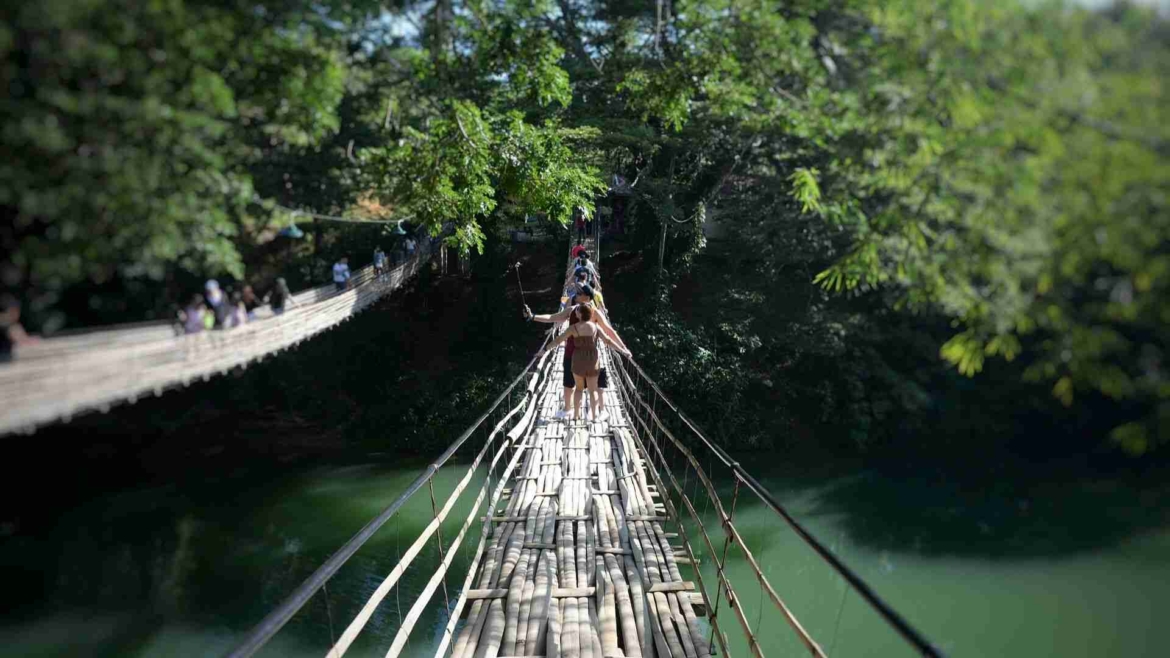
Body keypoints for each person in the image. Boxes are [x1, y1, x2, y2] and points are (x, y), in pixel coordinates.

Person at [526, 285, 629, 419]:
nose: (576, 294)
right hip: (591, 356)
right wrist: (623, 349)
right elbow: (609, 334)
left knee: (571, 384)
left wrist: (533, 317)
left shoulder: (572, 311)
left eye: (579, 293)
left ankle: (572, 412)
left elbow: (553, 320)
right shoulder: (594, 313)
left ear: (586, 297)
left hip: (571, 353)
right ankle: (593, 414)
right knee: (593, 388)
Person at [0, 294, 39, 362]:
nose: (17, 314)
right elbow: (20, 340)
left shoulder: (10, 324)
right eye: (15, 311)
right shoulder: (9, 324)